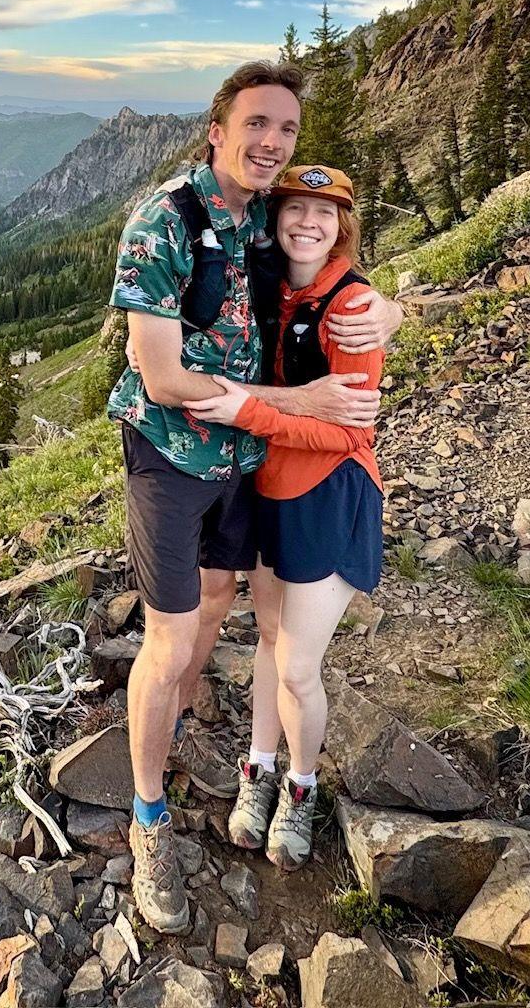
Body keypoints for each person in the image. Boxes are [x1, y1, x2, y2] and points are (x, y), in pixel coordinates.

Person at [107, 63, 403, 935]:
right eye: (257, 124)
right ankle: (149, 815)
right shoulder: (166, 221)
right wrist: (303, 404)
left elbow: (331, 268)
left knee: (215, 609)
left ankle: (190, 730)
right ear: (217, 128)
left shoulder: (265, 227)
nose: (271, 142)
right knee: (167, 641)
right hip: (171, 460)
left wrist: (394, 309)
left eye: (285, 129)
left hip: (242, 462)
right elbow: (160, 377)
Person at [185, 164, 385, 873]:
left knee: (298, 664)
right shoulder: (281, 286)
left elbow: (350, 432)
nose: (309, 222)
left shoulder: (352, 308)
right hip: (270, 491)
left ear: (343, 227)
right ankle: (258, 769)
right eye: (297, 208)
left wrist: (248, 411)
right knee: (269, 643)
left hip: (328, 495)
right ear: (277, 220)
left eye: (325, 213)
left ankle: (301, 790)